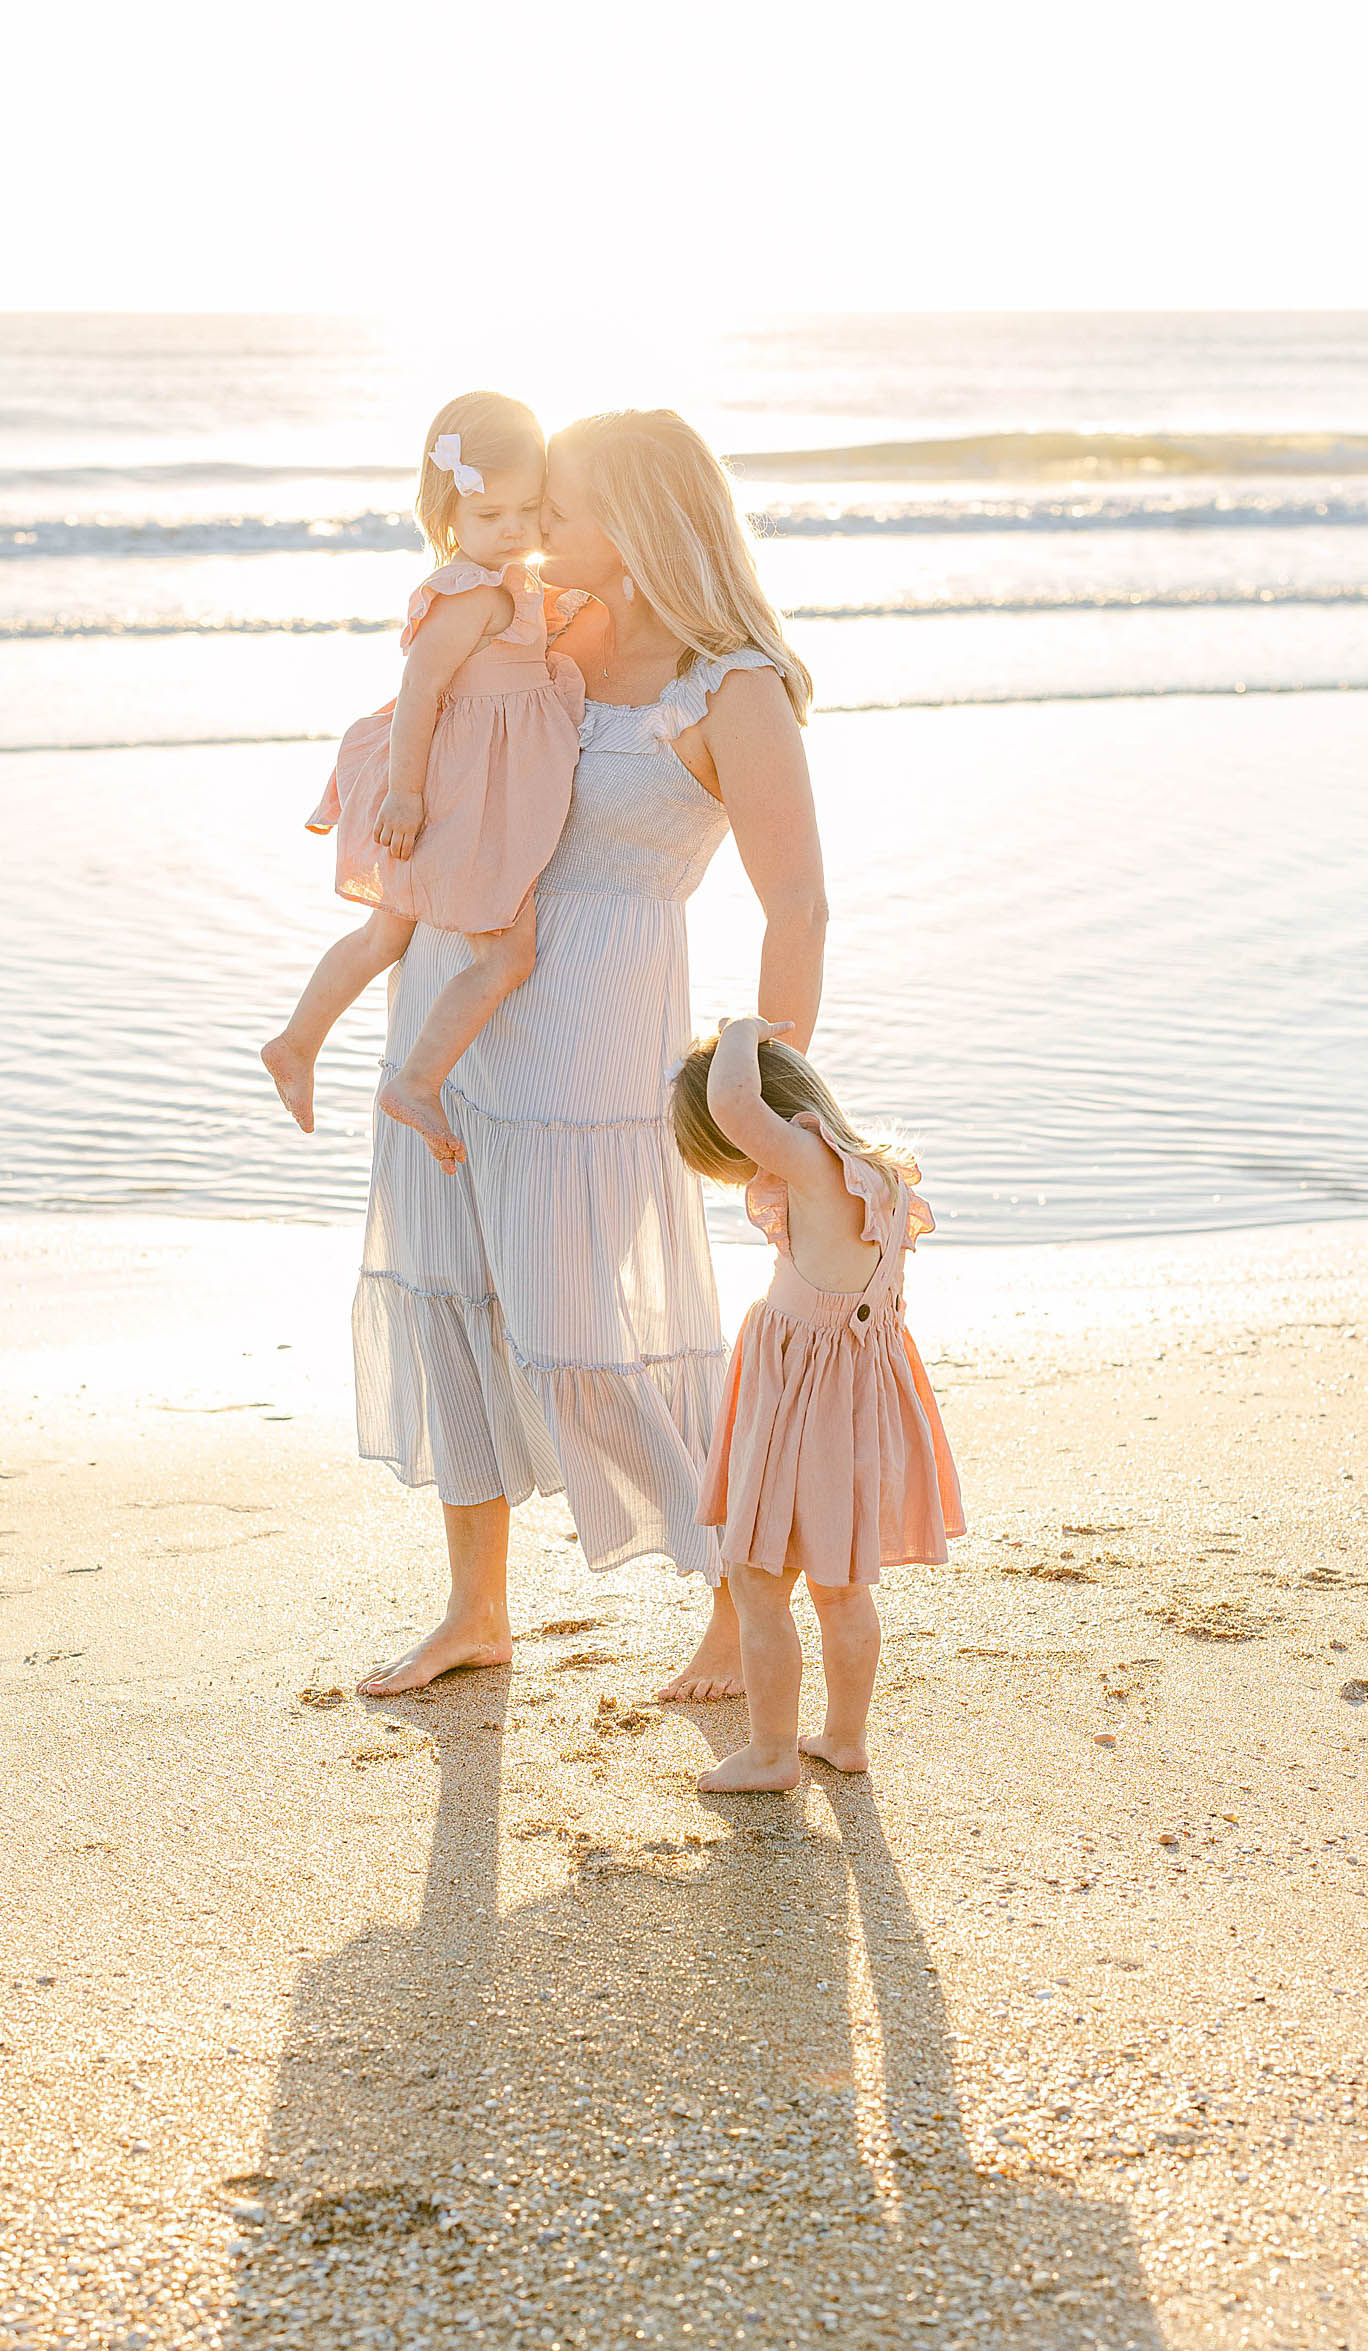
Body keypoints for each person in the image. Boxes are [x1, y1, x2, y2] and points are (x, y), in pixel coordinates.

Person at [351, 409, 828, 1701]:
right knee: (456, 1303)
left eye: (563, 510)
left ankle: (737, 1589)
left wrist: (767, 1107)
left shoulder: (732, 684)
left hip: (594, 1038)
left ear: (646, 520)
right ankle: (476, 1611)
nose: (539, 530)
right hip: (458, 1001)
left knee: (582, 1338)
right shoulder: (540, 629)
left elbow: (799, 907)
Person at [261, 392, 583, 1140]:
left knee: (387, 935)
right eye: (489, 516)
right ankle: (416, 1082)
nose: (513, 531)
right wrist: (404, 796)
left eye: (528, 510)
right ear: (448, 520)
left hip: (472, 778)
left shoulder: (512, 583)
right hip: (450, 789)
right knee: (507, 952)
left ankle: (295, 1044)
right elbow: (418, 693)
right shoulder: (467, 594)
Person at [669, 1018, 965, 1788]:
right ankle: (844, 1738)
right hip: (864, 1400)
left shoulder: (808, 1162)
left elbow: (734, 1105)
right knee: (841, 1586)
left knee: (757, 1579)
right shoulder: (887, 1180)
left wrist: (735, 1035)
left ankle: (772, 1752)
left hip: (805, 1402)